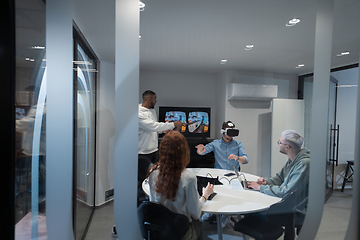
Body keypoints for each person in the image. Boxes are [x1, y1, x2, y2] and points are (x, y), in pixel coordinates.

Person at [147, 131, 214, 240]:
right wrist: (205, 195)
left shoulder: (152, 172)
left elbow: (152, 203)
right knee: (198, 224)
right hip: (180, 231)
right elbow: (196, 214)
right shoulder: (189, 177)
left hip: (158, 229)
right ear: (184, 151)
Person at [247, 130, 310, 225]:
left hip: (295, 211)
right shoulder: (293, 160)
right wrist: (266, 182)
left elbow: (287, 192)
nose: (279, 144)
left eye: (280, 142)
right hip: (287, 205)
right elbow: (280, 178)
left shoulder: (304, 164)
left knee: (250, 212)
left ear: (287, 147)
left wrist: (260, 188)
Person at [195, 120, 249, 227]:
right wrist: (200, 150)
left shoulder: (238, 144)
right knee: (214, 194)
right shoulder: (216, 143)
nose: (231, 136)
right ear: (223, 132)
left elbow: (246, 160)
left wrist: (237, 158)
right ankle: (209, 213)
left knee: (230, 197)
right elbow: (202, 151)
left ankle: (226, 215)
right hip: (218, 176)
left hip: (233, 177)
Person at [138, 90, 182, 163]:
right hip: (143, 152)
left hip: (154, 149)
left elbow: (155, 127)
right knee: (143, 173)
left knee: (154, 173)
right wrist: (173, 124)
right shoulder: (139, 113)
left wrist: (162, 130)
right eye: (155, 99)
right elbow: (153, 126)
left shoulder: (152, 111)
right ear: (149, 99)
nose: (155, 102)